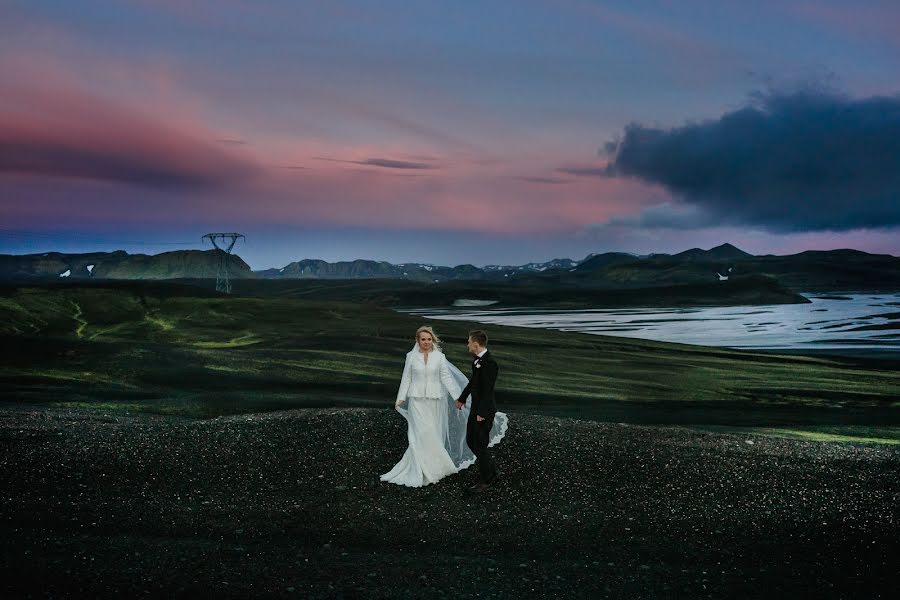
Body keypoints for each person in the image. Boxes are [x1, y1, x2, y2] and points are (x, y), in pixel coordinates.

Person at [381, 326, 507, 488]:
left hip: (435, 400)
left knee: (432, 432)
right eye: (423, 339)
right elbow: (406, 377)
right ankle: (420, 466)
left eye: (428, 339)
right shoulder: (410, 357)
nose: (426, 342)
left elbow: (447, 378)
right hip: (416, 400)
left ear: (432, 340)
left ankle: (437, 467)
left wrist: (457, 398)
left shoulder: (439, 357)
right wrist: (400, 397)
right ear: (417, 341)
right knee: (419, 432)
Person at [455, 330, 500, 493]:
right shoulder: (477, 361)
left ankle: (486, 480)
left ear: (475, 344)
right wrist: (462, 398)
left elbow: (488, 391)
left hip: (484, 411)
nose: (467, 345)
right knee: (471, 441)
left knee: (480, 445)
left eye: (468, 342)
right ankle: (491, 471)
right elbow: (473, 382)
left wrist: (482, 412)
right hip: (475, 409)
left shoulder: (490, 363)